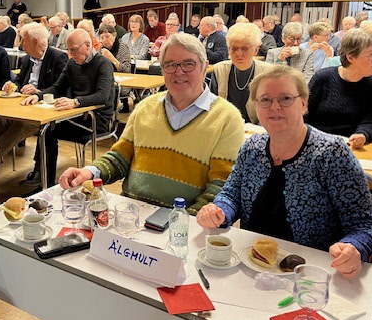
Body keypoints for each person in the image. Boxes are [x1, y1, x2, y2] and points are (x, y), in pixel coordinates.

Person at [196, 65, 372, 276]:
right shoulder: (252, 148)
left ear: (303, 103)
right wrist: (218, 211)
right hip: (253, 267)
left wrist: (354, 247)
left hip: (310, 275)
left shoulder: (332, 154)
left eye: (285, 98)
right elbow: (231, 195)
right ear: (256, 106)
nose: (274, 107)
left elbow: (366, 225)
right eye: (265, 99)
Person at [59, 32, 244, 214]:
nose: (179, 72)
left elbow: (220, 187)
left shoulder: (227, 118)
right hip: (131, 214)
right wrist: (90, 171)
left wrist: (181, 222)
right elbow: (120, 158)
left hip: (183, 222)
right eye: (170, 65)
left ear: (205, 67)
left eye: (188, 64)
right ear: (162, 69)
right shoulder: (145, 107)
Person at [22, 28, 115, 187]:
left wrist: (75, 102)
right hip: (78, 116)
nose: (71, 55)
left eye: (74, 50)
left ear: (88, 46)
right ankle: (45, 181)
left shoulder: (103, 64)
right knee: (47, 129)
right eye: (69, 50)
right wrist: (38, 95)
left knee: (48, 130)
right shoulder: (72, 63)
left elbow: (102, 96)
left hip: (96, 120)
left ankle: (45, 181)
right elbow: (58, 87)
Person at [0, 23, 69, 165]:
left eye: (24, 39)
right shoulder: (26, 59)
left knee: (19, 126)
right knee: (0, 120)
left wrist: (38, 91)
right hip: (22, 105)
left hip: (44, 110)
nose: (21, 43)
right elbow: (19, 81)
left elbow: (59, 88)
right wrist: (12, 86)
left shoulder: (58, 57)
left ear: (35, 42)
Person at [305, 29, 372, 149]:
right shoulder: (322, 78)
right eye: (371, 55)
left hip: (353, 145)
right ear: (350, 57)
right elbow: (304, 114)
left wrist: (363, 135)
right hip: (317, 143)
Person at [209, 23, 272, 124]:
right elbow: (212, 105)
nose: (239, 53)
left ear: (256, 50)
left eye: (244, 48)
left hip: (257, 128)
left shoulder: (267, 73)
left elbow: (271, 110)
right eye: (234, 48)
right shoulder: (219, 69)